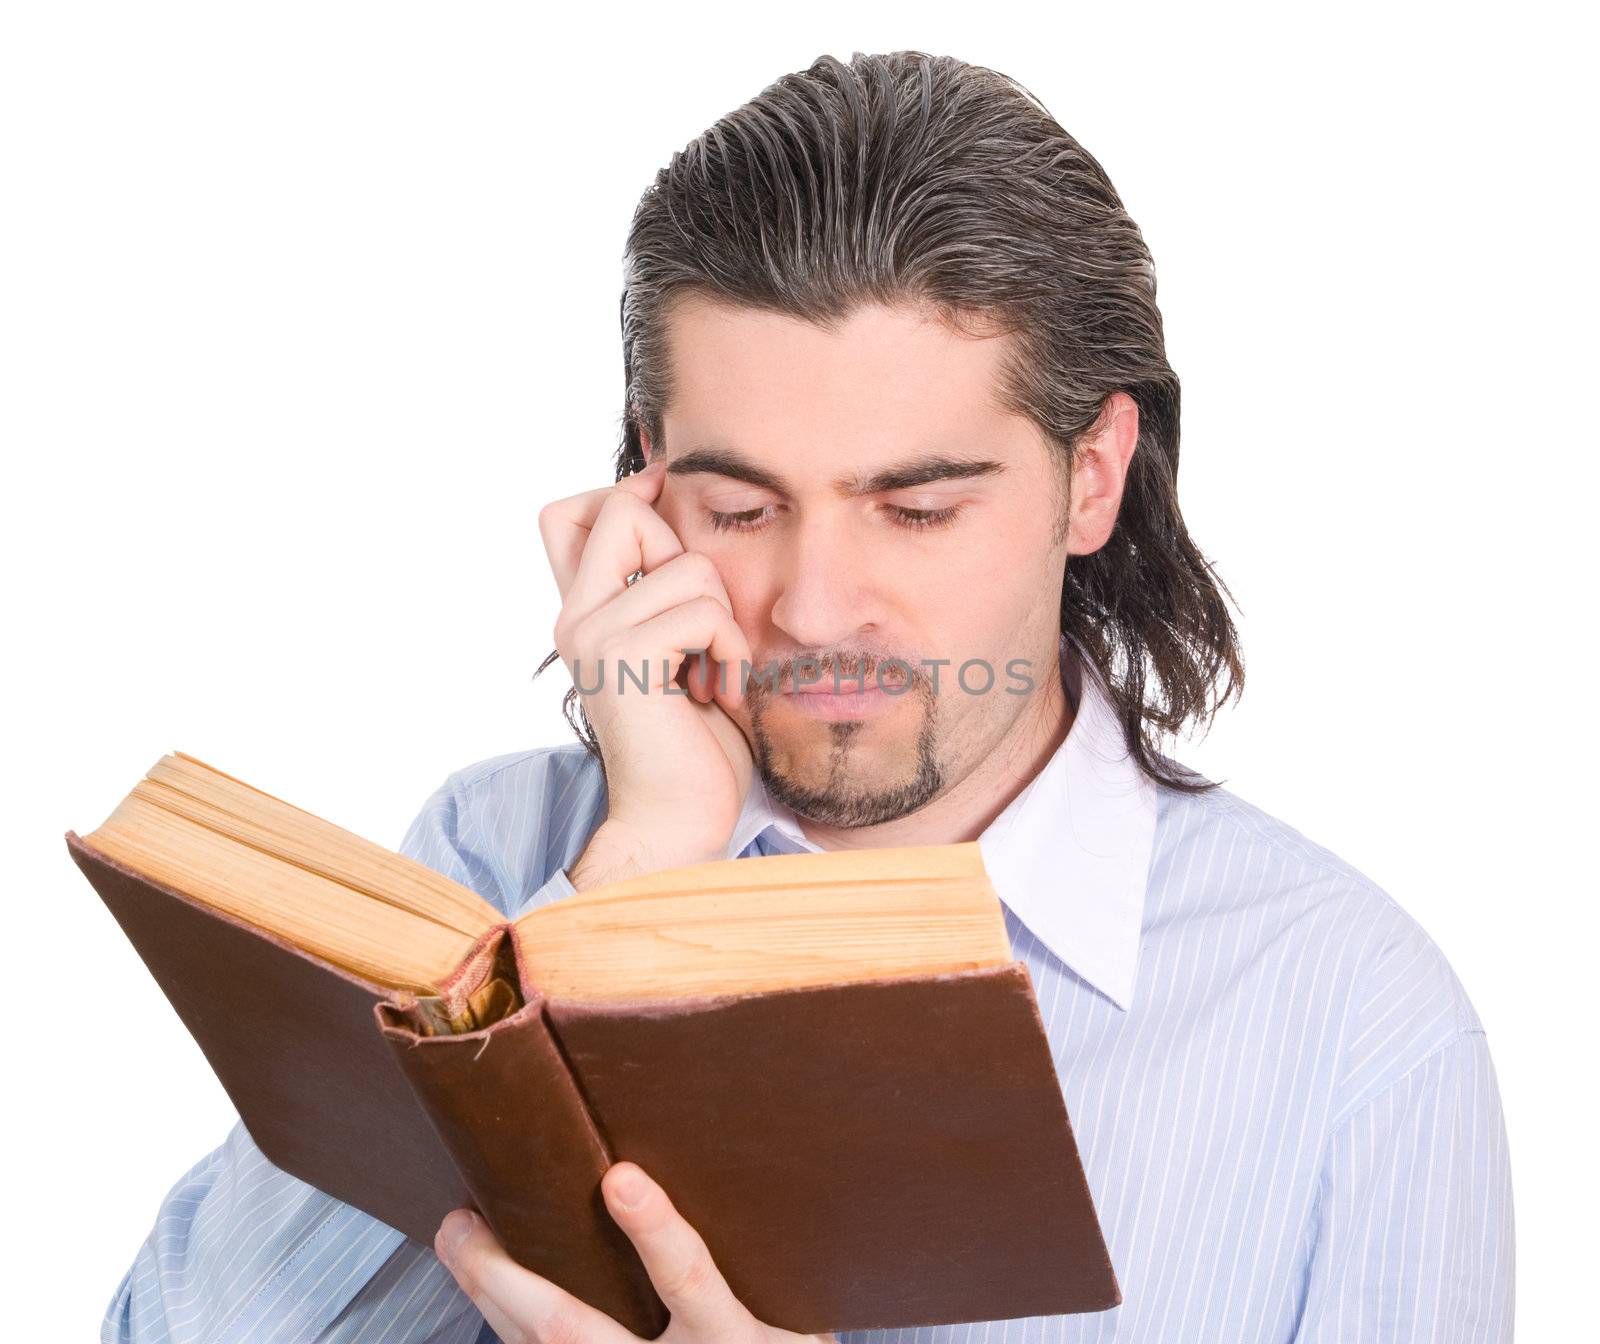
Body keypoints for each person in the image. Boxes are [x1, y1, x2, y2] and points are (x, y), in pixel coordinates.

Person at [101, 49, 1514, 1344]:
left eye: (916, 510)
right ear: (647, 478)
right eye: (739, 504)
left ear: (1091, 478)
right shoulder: (498, 869)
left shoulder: (1356, 1028)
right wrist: (636, 869)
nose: (816, 609)